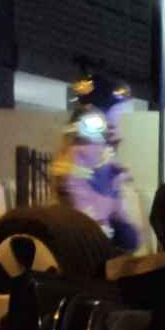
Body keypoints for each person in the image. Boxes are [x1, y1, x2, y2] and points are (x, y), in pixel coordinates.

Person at [51, 73, 141, 253]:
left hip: (101, 220)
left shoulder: (104, 143)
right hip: (88, 224)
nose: (119, 117)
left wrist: (120, 218)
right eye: (117, 111)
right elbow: (74, 181)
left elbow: (110, 185)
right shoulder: (84, 142)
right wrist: (92, 223)